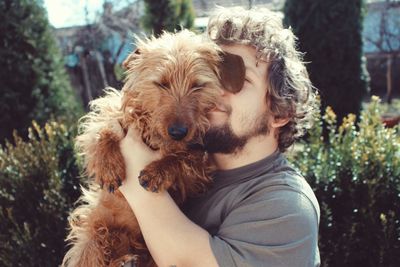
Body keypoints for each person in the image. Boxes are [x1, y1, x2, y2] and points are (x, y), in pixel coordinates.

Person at [119, 6, 320, 267]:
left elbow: (183, 263)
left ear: (280, 113)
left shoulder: (286, 207)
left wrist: (132, 174)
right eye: (211, 76)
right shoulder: (184, 168)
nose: (215, 91)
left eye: (239, 80)